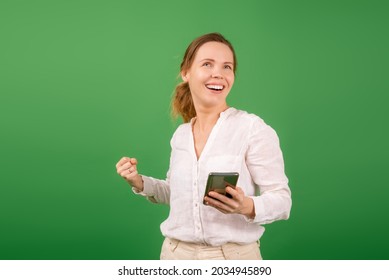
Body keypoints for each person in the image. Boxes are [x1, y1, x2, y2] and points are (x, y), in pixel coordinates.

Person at [116, 32, 292, 260]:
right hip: (174, 255)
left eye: (227, 67)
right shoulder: (181, 135)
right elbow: (176, 194)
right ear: (186, 72)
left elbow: (282, 200)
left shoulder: (252, 129)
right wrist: (138, 182)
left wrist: (246, 205)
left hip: (233, 259)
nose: (218, 73)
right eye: (207, 64)